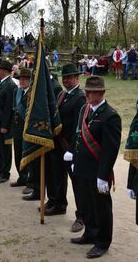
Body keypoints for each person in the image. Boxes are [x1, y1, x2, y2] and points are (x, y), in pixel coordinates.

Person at [71, 76, 122, 259]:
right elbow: (78, 136)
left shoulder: (111, 116)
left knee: (101, 207)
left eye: (90, 92)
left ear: (101, 93)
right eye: (86, 91)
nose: (87, 95)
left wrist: (103, 175)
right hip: (82, 167)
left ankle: (102, 242)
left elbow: (110, 149)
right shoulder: (85, 110)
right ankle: (90, 233)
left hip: (98, 170)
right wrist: (74, 156)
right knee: (86, 203)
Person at [53, 64, 87, 231]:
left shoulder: (80, 97)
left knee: (78, 184)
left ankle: (81, 216)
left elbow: (78, 127)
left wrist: (72, 149)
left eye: (70, 77)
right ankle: (58, 204)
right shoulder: (62, 94)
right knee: (58, 177)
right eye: (64, 77)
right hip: (58, 144)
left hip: (71, 147)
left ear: (77, 78)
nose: (66, 80)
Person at [10, 68, 31, 189]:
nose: (22, 81)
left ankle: (29, 180)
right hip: (17, 128)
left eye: (24, 79)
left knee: (27, 154)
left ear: (29, 80)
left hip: (27, 128)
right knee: (18, 154)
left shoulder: (32, 93)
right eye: (20, 79)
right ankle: (21, 177)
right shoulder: (17, 92)